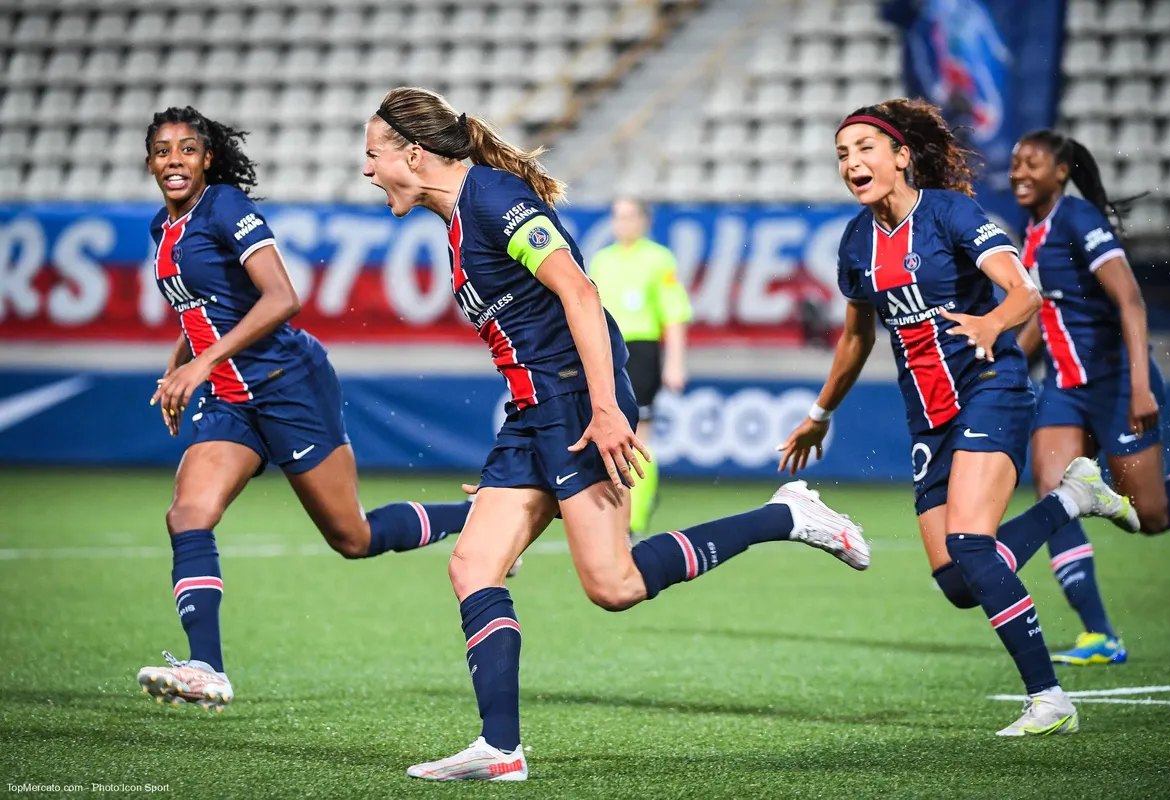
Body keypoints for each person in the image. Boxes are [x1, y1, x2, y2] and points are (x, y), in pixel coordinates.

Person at [360, 86, 870, 781]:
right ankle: (500, 750)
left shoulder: (493, 200)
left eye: (372, 154)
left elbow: (580, 293)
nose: (366, 170)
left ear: (411, 153)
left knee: (615, 584)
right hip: (533, 415)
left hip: (573, 403)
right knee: (471, 565)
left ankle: (785, 515)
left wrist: (605, 408)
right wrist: (518, 458)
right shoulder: (457, 218)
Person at [777, 100, 1139, 737]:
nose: (852, 162)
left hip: (991, 388)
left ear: (900, 156)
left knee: (972, 545)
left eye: (865, 148)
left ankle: (1050, 699)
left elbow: (1023, 289)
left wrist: (992, 323)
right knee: (958, 581)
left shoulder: (951, 212)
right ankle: (1073, 498)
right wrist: (819, 413)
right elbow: (857, 339)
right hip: (929, 418)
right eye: (842, 154)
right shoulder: (855, 243)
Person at [135, 107, 478, 712]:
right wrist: (177, 366)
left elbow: (282, 298)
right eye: (163, 151)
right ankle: (206, 668)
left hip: (286, 382)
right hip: (228, 398)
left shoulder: (226, 209)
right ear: (149, 162)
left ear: (207, 158)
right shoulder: (161, 230)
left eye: (187, 150)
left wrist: (201, 363)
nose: (174, 161)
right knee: (187, 514)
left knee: (353, 536)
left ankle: (478, 521)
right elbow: (200, 308)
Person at [1010, 130, 1170, 665]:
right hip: (1065, 390)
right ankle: (1100, 635)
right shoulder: (1034, 231)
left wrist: (1140, 386)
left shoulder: (1078, 221)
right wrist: (1001, 368)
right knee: (1054, 496)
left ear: (1062, 171)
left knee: (1152, 517)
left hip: (1117, 385)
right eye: (1015, 163)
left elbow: (1132, 302)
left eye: (1032, 163)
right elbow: (1044, 317)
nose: (1019, 172)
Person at [589, 198, 692, 539]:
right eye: (617, 216)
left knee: (638, 436)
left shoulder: (658, 259)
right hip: (607, 353)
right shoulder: (602, 260)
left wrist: (675, 362)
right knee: (607, 435)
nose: (623, 223)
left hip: (642, 351)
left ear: (644, 221)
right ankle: (616, 513)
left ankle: (633, 521)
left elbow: (673, 312)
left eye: (629, 216)